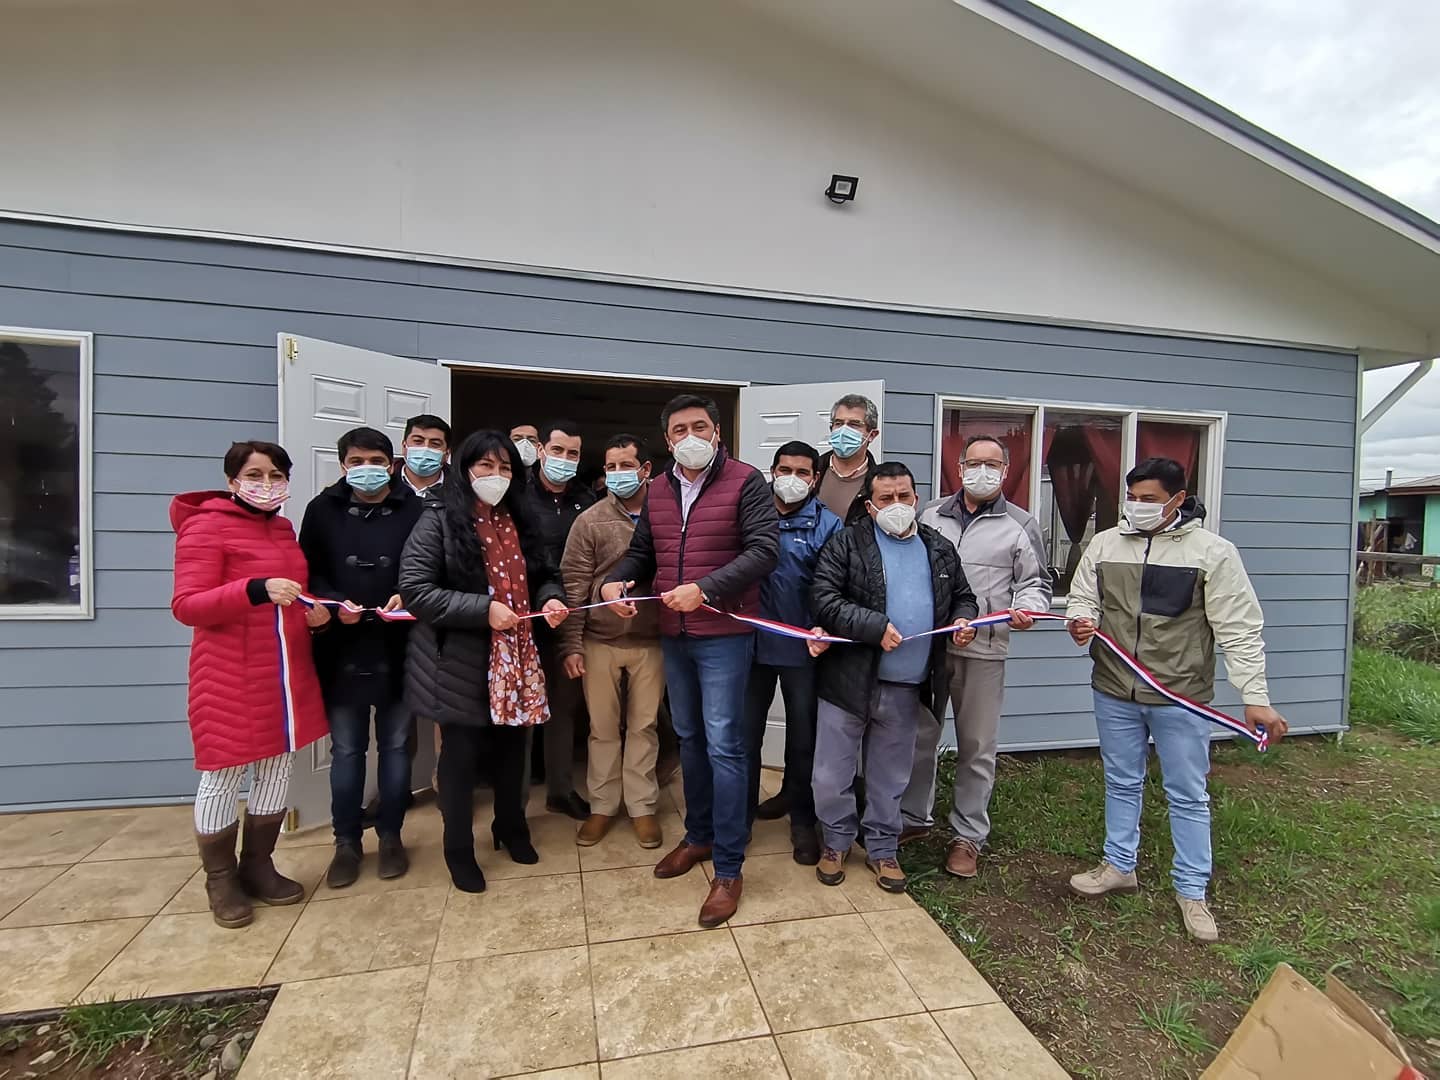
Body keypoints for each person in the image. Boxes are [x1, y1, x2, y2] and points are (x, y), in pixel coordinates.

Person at [1066, 456, 1289, 942]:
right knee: (1121, 781)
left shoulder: (1213, 553)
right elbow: (1084, 595)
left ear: (1178, 500)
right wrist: (1081, 620)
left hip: (1179, 697)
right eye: (1133, 498)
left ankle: (1192, 891)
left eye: (1150, 500)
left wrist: (1255, 697)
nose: (1139, 508)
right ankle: (1119, 865)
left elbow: (1240, 628)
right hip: (1114, 689)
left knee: (1187, 794)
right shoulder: (1105, 544)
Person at [601, 393, 779, 928]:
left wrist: (704, 588)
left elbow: (763, 551)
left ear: (718, 433)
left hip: (724, 632)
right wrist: (617, 578)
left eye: (700, 426)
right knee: (691, 738)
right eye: (680, 429)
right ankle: (698, 836)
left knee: (726, 744)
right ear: (668, 438)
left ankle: (729, 866)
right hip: (673, 633)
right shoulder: (657, 489)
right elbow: (643, 551)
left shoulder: (747, 482)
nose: (691, 436)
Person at [398, 430, 569, 893]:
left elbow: (546, 574)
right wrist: (482, 610)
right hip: (460, 658)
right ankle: (458, 851)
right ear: (464, 470)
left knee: (514, 751)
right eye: (486, 467)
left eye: (506, 468)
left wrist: (551, 599)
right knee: (461, 759)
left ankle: (510, 828)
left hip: (518, 655)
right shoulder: (437, 521)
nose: (496, 477)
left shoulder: (521, 519)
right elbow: (416, 589)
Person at [170, 441, 329, 929]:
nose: (267, 484)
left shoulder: (282, 528)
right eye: (255, 474)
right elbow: (188, 605)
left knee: (277, 769)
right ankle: (221, 879)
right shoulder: (205, 526)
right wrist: (254, 590)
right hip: (230, 674)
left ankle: (259, 865)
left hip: (284, 673)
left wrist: (316, 617)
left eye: (276, 475)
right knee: (223, 774)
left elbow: (292, 596)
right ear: (231, 480)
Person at [807, 462, 977, 894]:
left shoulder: (939, 548)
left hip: (907, 686)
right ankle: (836, 841)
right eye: (886, 498)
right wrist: (872, 626)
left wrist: (963, 618)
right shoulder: (846, 544)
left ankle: (883, 848)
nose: (897, 505)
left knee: (891, 776)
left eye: (904, 496)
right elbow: (824, 599)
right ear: (870, 504)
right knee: (831, 773)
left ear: (916, 499)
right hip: (848, 682)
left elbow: (964, 596)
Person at [901, 434, 1052, 877]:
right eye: (973, 462)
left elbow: (1036, 584)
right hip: (929, 647)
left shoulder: (1021, 525)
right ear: (959, 467)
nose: (981, 471)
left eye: (992, 464)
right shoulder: (928, 514)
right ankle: (913, 817)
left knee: (977, 745)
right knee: (919, 736)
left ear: (1005, 472)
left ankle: (967, 835)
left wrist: (1030, 609)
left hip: (984, 651)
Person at [299, 427, 424, 888]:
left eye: (376, 459)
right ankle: (346, 842)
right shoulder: (321, 509)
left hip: (399, 645)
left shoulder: (414, 510)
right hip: (341, 647)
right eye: (357, 460)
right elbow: (307, 570)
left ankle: (391, 835)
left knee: (395, 747)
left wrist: (404, 594)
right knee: (347, 750)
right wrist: (332, 605)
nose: (366, 468)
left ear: (392, 464)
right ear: (343, 465)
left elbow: (429, 567)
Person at [560, 435, 665, 849]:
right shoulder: (590, 520)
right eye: (610, 467)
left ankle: (642, 808)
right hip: (599, 641)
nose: (617, 474)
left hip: (652, 641)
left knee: (645, 727)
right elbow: (573, 585)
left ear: (645, 470)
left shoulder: (668, 514)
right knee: (602, 730)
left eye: (626, 466)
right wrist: (571, 644)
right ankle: (603, 805)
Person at [746, 441, 842, 865]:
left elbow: (834, 586)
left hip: (806, 649)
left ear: (815, 478)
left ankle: (802, 820)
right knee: (745, 736)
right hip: (749, 646)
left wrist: (825, 625)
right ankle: (738, 817)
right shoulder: (750, 515)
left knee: (804, 739)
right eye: (784, 469)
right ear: (772, 471)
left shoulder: (829, 525)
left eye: (802, 472)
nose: (792, 479)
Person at [519, 419, 599, 819]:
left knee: (564, 708)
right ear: (540, 451)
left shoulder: (587, 501)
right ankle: (513, 805)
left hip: (569, 621)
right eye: (558, 451)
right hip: (520, 621)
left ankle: (561, 789)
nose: (564, 460)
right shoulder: (515, 496)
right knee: (521, 713)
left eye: (573, 454)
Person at [815, 394, 880, 525]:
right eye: (838, 423)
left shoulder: (878, 482)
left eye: (854, 424)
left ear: (872, 435)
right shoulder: (810, 470)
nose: (844, 430)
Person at [399, 414, 451, 500]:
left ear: (447, 453)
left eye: (435, 444)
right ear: (404, 446)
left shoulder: (462, 489)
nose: (425, 448)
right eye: (418, 441)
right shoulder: (385, 485)